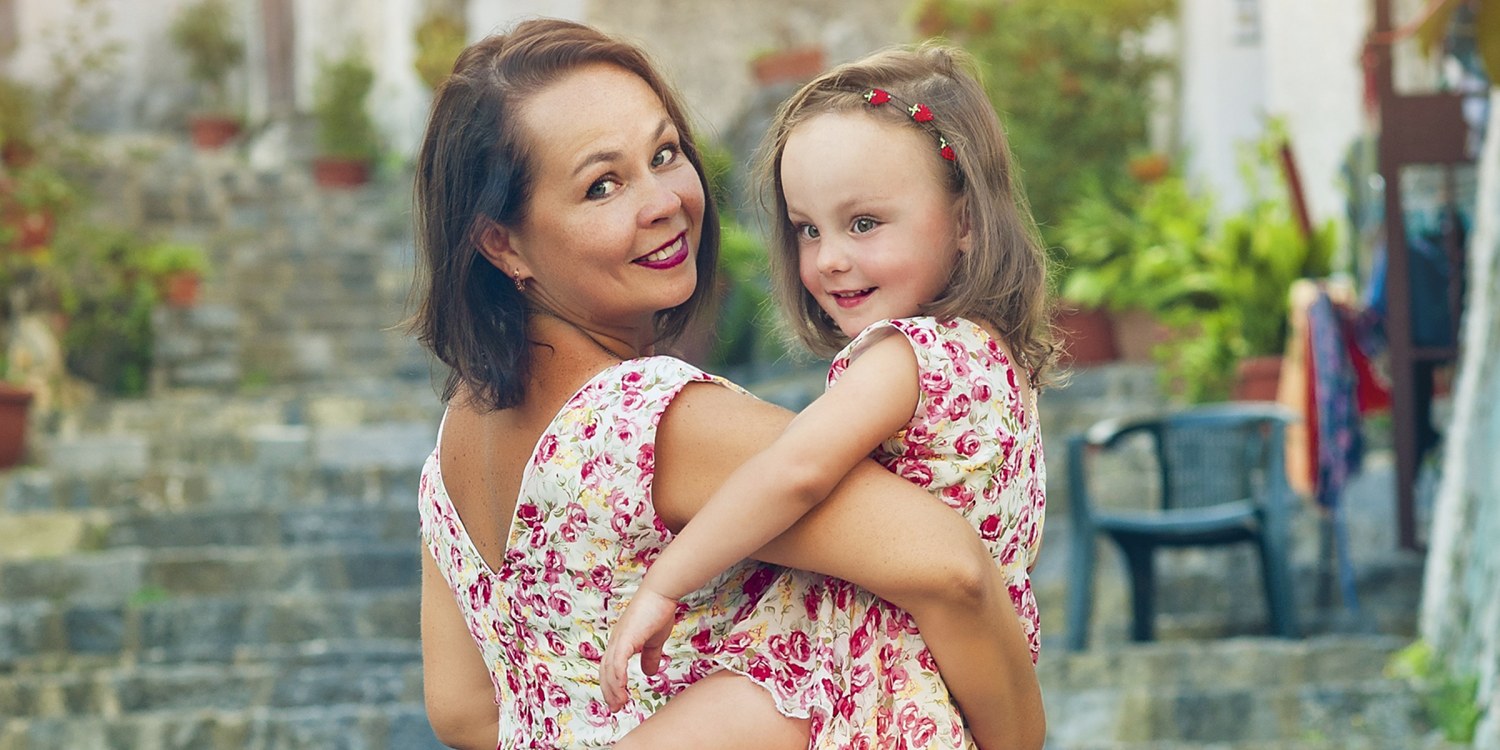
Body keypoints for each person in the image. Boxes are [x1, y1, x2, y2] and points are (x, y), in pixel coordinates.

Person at [408, 18, 1045, 750]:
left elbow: (462, 710)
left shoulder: (457, 439)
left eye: (665, 153)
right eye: (602, 185)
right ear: (503, 243)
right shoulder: (648, 422)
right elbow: (952, 568)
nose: (664, 201)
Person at [602, 41, 1054, 749]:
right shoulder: (995, 361)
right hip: (943, 701)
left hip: (877, 687)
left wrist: (665, 583)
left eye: (864, 223)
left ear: (966, 221)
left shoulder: (905, 357)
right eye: (808, 229)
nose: (830, 257)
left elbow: (795, 472)